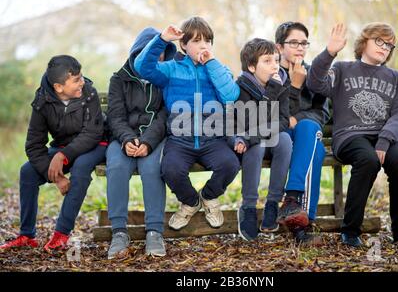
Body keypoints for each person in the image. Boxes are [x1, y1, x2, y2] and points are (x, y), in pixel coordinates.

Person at [307, 22, 398, 247]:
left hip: (383, 136)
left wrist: (385, 140)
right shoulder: (342, 70)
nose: (384, 48)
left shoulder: (397, 78)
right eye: (379, 41)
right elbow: (315, 83)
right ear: (364, 41)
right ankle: (350, 230)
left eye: (389, 45)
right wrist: (329, 53)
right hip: (350, 135)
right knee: (367, 161)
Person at [133, 17, 240, 231]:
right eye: (197, 41)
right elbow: (141, 67)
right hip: (180, 139)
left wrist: (211, 63)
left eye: (208, 41)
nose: (204, 45)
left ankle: (209, 197)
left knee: (230, 164)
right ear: (183, 45)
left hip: (213, 138)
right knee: (171, 169)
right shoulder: (171, 70)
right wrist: (162, 39)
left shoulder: (218, 69)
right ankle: (191, 202)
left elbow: (230, 95)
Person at [0, 55, 106, 252]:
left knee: (81, 168)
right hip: (63, 147)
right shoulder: (43, 101)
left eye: (81, 77)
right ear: (59, 87)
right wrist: (56, 177)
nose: (82, 82)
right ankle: (26, 235)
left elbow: (93, 133)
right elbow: (33, 145)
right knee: (28, 172)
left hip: (95, 145)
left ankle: (61, 234)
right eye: (76, 80)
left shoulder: (88, 92)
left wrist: (61, 156)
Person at [106, 27, 175, 259]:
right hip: (123, 137)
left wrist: (147, 142)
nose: (158, 58)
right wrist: (127, 140)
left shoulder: (165, 78)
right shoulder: (119, 79)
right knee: (116, 166)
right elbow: (114, 116)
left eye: (161, 53)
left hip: (155, 138)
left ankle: (154, 231)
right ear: (137, 52)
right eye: (151, 53)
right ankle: (118, 232)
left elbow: (166, 115)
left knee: (151, 167)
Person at [274, 22, 330, 245]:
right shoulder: (270, 72)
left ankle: (293, 201)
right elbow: (275, 115)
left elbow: (321, 113)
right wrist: (295, 86)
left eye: (304, 43)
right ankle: (303, 225)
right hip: (278, 136)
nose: (300, 48)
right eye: (294, 43)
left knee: (311, 134)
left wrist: (299, 119)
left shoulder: (314, 75)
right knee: (313, 144)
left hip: (306, 134)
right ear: (279, 47)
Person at [232, 38, 292, 241]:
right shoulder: (241, 87)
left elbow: (283, 120)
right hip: (248, 141)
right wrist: (271, 92)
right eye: (267, 61)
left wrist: (275, 90)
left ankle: (273, 203)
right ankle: (248, 206)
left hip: (266, 137)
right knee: (255, 147)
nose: (275, 65)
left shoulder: (281, 82)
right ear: (251, 66)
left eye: (276, 59)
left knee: (284, 140)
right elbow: (248, 123)